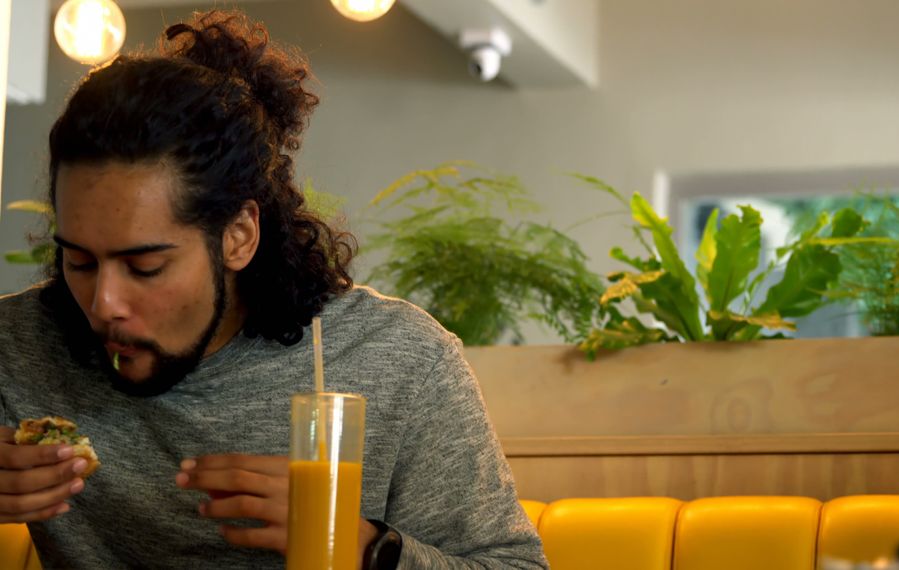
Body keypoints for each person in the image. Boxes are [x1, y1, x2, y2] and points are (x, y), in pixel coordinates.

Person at [0, 10, 548, 569]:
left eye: (144, 267)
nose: (102, 304)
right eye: (80, 261)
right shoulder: (16, 348)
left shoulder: (398, 361)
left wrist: (361, 547)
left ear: (238, 236)